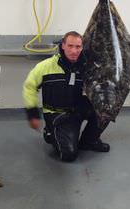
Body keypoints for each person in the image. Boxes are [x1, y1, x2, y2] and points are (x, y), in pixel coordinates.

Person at [22, 31, 110, 162]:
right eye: (70, 46)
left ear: (82, 47)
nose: (74, 51)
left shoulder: (87, 67)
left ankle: (89, 141)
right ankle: (51, 132)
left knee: (107, 107)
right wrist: (32, 114)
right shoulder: (45, 66)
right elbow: (29, 87)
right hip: (57, 115)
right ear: (63, 45)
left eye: (78, 47)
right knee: (69, 155)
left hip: (77, 108)